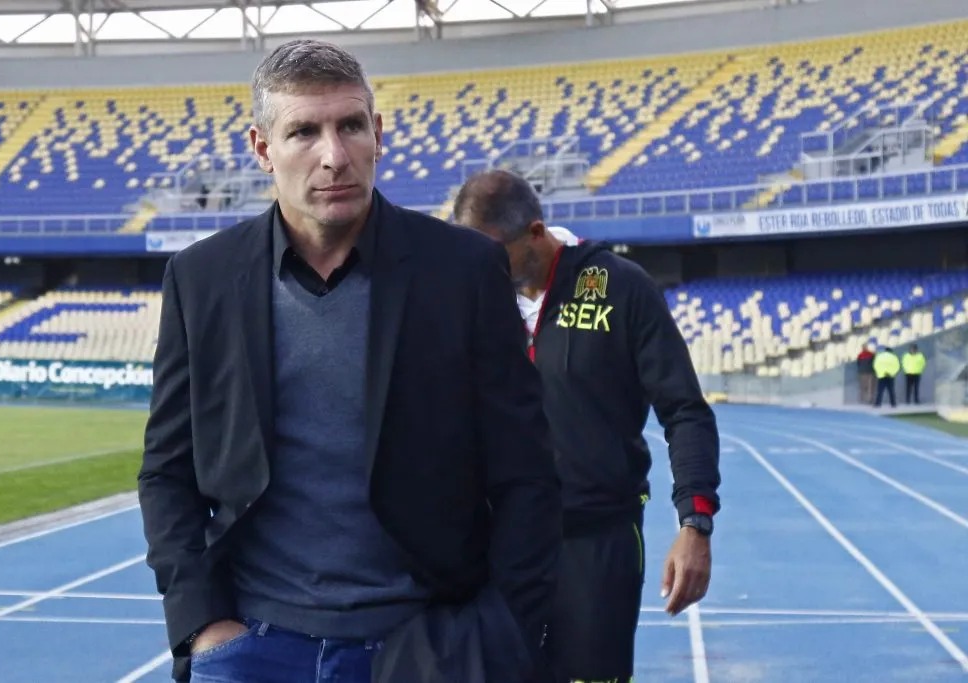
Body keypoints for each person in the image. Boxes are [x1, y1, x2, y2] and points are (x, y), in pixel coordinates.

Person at [137, 40, 562, 683]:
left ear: (377, 133)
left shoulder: (464, 270)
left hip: (423, 649)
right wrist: (202, 627)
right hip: (251, 648)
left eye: (351, 126)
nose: (333, 155)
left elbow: (527, 473)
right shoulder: (201, 279)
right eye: (304, 131)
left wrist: (497, 634)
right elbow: (168, 472)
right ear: (262, 149)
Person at [452, 169, 722, 683]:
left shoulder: (622, 287)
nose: (478, 267)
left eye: (491, 252)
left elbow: (685, 410)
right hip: (498, 543)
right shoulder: (472, 295)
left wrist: (695, 523)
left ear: (534, 233)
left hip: (597, 540)